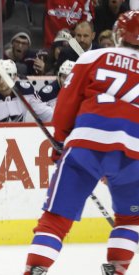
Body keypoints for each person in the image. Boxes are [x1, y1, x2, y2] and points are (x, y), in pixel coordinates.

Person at [23, 11, 139, 275]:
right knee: (131, 218)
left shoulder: (92, 57)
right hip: (135, 152)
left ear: (119, 34)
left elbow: (65, 107)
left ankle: (35, 270)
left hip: (87, 143)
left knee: (56, 219)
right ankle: (117, 270)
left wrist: (61, 143)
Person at [0, 59, 53, 123]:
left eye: (6, 77)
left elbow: (45, 113)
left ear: (14, 76)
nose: (1, 81)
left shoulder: (26, 91)